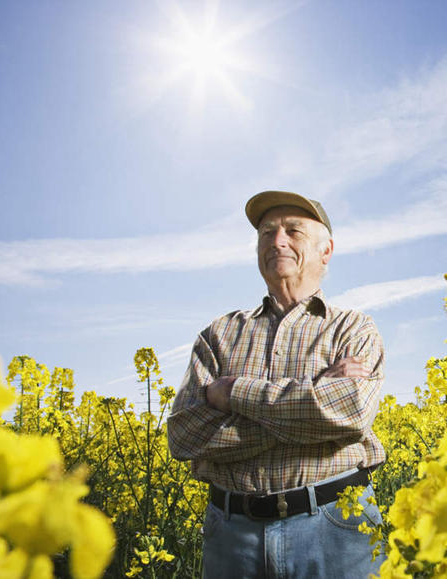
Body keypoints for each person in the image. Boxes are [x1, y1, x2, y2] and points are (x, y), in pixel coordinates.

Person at [168, 191, 386, 578]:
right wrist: (313, 401)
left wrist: (233, 392)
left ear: (326, 251)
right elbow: (184, 435)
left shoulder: (353, 328)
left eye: (293, 231)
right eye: (266, 233)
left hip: (337, 526)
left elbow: (350, 413)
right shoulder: (218, 334)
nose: (276, 241)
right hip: (232, 533)